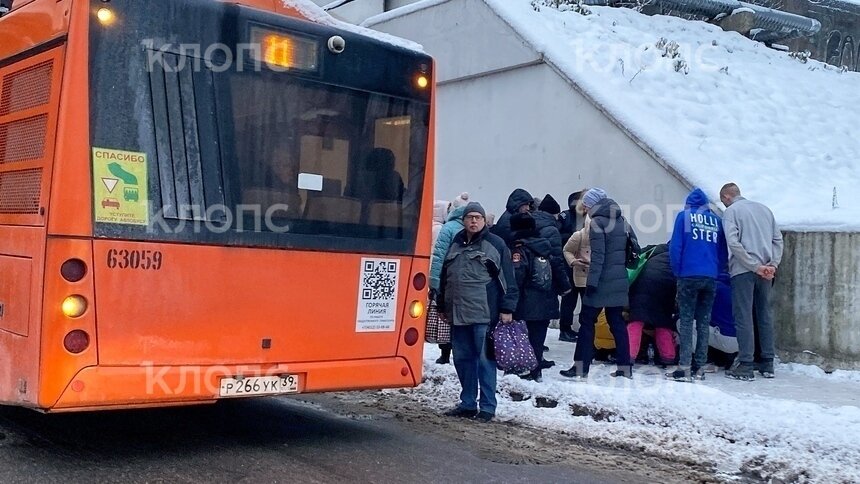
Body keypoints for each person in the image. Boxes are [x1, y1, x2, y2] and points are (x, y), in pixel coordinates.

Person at [438, 202, 518, 422]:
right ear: (463, 220)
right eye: (469, 217)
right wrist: (441, 304)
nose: (473, 221)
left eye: (478, 217)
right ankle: (467, 403)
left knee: (484, 361)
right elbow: (446, 275)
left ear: (484, 221)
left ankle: (487, 407)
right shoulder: (455, 242)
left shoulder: (495, 244)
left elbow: (508, 280)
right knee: (462, 360)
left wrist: (507, 308)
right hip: (458, 313)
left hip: (485, 314)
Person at [560, 188, 637, 380]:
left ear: (594, 204)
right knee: (617, 322)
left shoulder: (597, 223)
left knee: (587, 323)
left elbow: (599, 257)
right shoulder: (621, 220)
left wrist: (591, 284)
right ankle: (624, 366)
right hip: (619, 279)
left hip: (602, 281)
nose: (583, 206)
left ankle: (580, 367)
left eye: (586, 203)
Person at [720, 183, 783, 380]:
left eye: (723, 201)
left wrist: (753, 265)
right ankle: (767, 362)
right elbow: (777, 240)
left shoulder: (731, 212)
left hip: (743, 271)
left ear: (727, 196)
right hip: (766, 272)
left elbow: (733, 242)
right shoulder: (765, 210)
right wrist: (772, 265)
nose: (723, 204)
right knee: (764, 314)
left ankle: (745, 364)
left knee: (743, 316)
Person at [666, 188, 728, 382]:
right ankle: (700, 367)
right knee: (703, 322)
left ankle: (684, 367)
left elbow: (676, 247)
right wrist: (715, 272)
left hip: (688, 275)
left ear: (689, 204)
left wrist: (677, 272)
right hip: (710, 277)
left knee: (686, 321)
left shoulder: (684, 218)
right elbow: (722, 252)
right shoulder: (716, 221)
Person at [509, 213, 570, 381]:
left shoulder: (519, 249)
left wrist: (508, 300)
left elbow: (517, 277)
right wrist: (564, 288)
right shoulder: (545, 245)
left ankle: (525, 369)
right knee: (538, 338)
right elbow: (558, 267)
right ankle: (536, 371)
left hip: (526, 301)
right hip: (547, 300)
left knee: (523, 337)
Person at [429, 192, 471, 364]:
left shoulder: (447, 228)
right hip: (467, 280)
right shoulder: (470, 229)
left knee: (446, 318)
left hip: (447, 279)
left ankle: (445, 353)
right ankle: (459, 351)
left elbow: (438, 256)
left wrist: (434, 281)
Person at [627, 244, 677, 366]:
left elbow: (638, 256)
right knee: (663, 323)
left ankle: (628, 355)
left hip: (642, 285)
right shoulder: (679, 256)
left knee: (636, 321)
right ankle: (668, 356)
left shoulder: (655, 249)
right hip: (666, 288)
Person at [558, 190, 586, 342]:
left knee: (586, 298)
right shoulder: (566, 216)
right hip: (568, 264)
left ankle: (584, 328)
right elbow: (557, 236)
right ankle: (565, 329)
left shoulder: (588, 218)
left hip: (583, 264)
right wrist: (574, 236)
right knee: (569, 299)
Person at [708, 273, 738, 370]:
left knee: (681, 323)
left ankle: (703, 361)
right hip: (741, 341)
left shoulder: (714, 288)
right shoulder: (738, 290)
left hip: (722, 337)